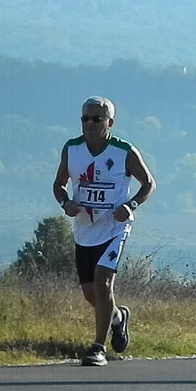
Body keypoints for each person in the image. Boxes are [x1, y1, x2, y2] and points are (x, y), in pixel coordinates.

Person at [52, 96, 156, 367]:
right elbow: (59, 184)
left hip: (114, 227)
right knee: (91, 294)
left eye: (96, 119)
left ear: (109, 122)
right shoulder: (72, 149)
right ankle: (118, 318)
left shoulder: (124, 152)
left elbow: (149, 184)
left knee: (103, 283)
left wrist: (131, 204)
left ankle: (98, 347)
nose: (89, 124)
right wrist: (66, 203)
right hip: (85, 228)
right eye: (84, 118)